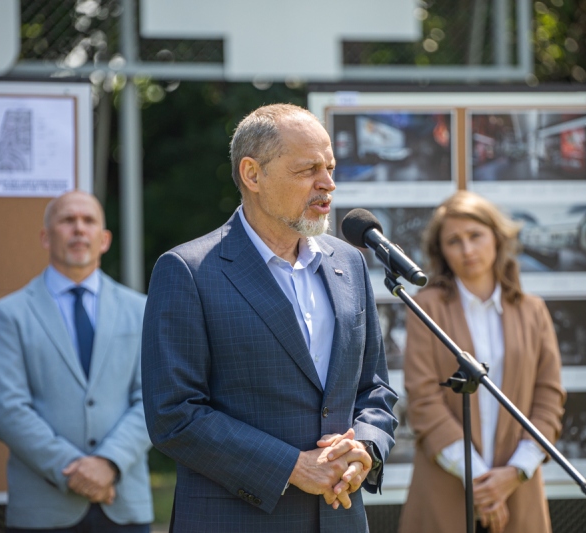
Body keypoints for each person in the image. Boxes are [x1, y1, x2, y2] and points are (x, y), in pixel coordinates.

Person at [141, 103, 398, 532]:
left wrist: (365, 448)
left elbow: (374, 388)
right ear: (252, 174)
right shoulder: (188, 270)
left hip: (340, 516)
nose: (328, 184)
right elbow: (174, 415)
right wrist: (292, 467)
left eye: (330, 168)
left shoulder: (349, 262)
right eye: (308, 170)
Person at [0, 191, 153, 532]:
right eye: (67, 220)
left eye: (88, 221)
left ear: (104, 239)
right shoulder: (9, 315)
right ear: (46, 237)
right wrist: (74, 470)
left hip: (122, 502)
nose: (79, 229)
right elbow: (8, 410)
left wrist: (108, 462)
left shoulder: (141, 310)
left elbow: (152, 398)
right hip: (44, 507)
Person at [397, 191, 565, 533]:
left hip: (518, 484)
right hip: (446, 485)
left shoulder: (533, 311)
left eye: (475, 236)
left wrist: (514, 472)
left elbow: (549, 398)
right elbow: (424, 400)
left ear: (497, 238)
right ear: (441, 251)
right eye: (454, 241)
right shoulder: (426, 307)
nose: (467, 250)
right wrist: (481, 480)